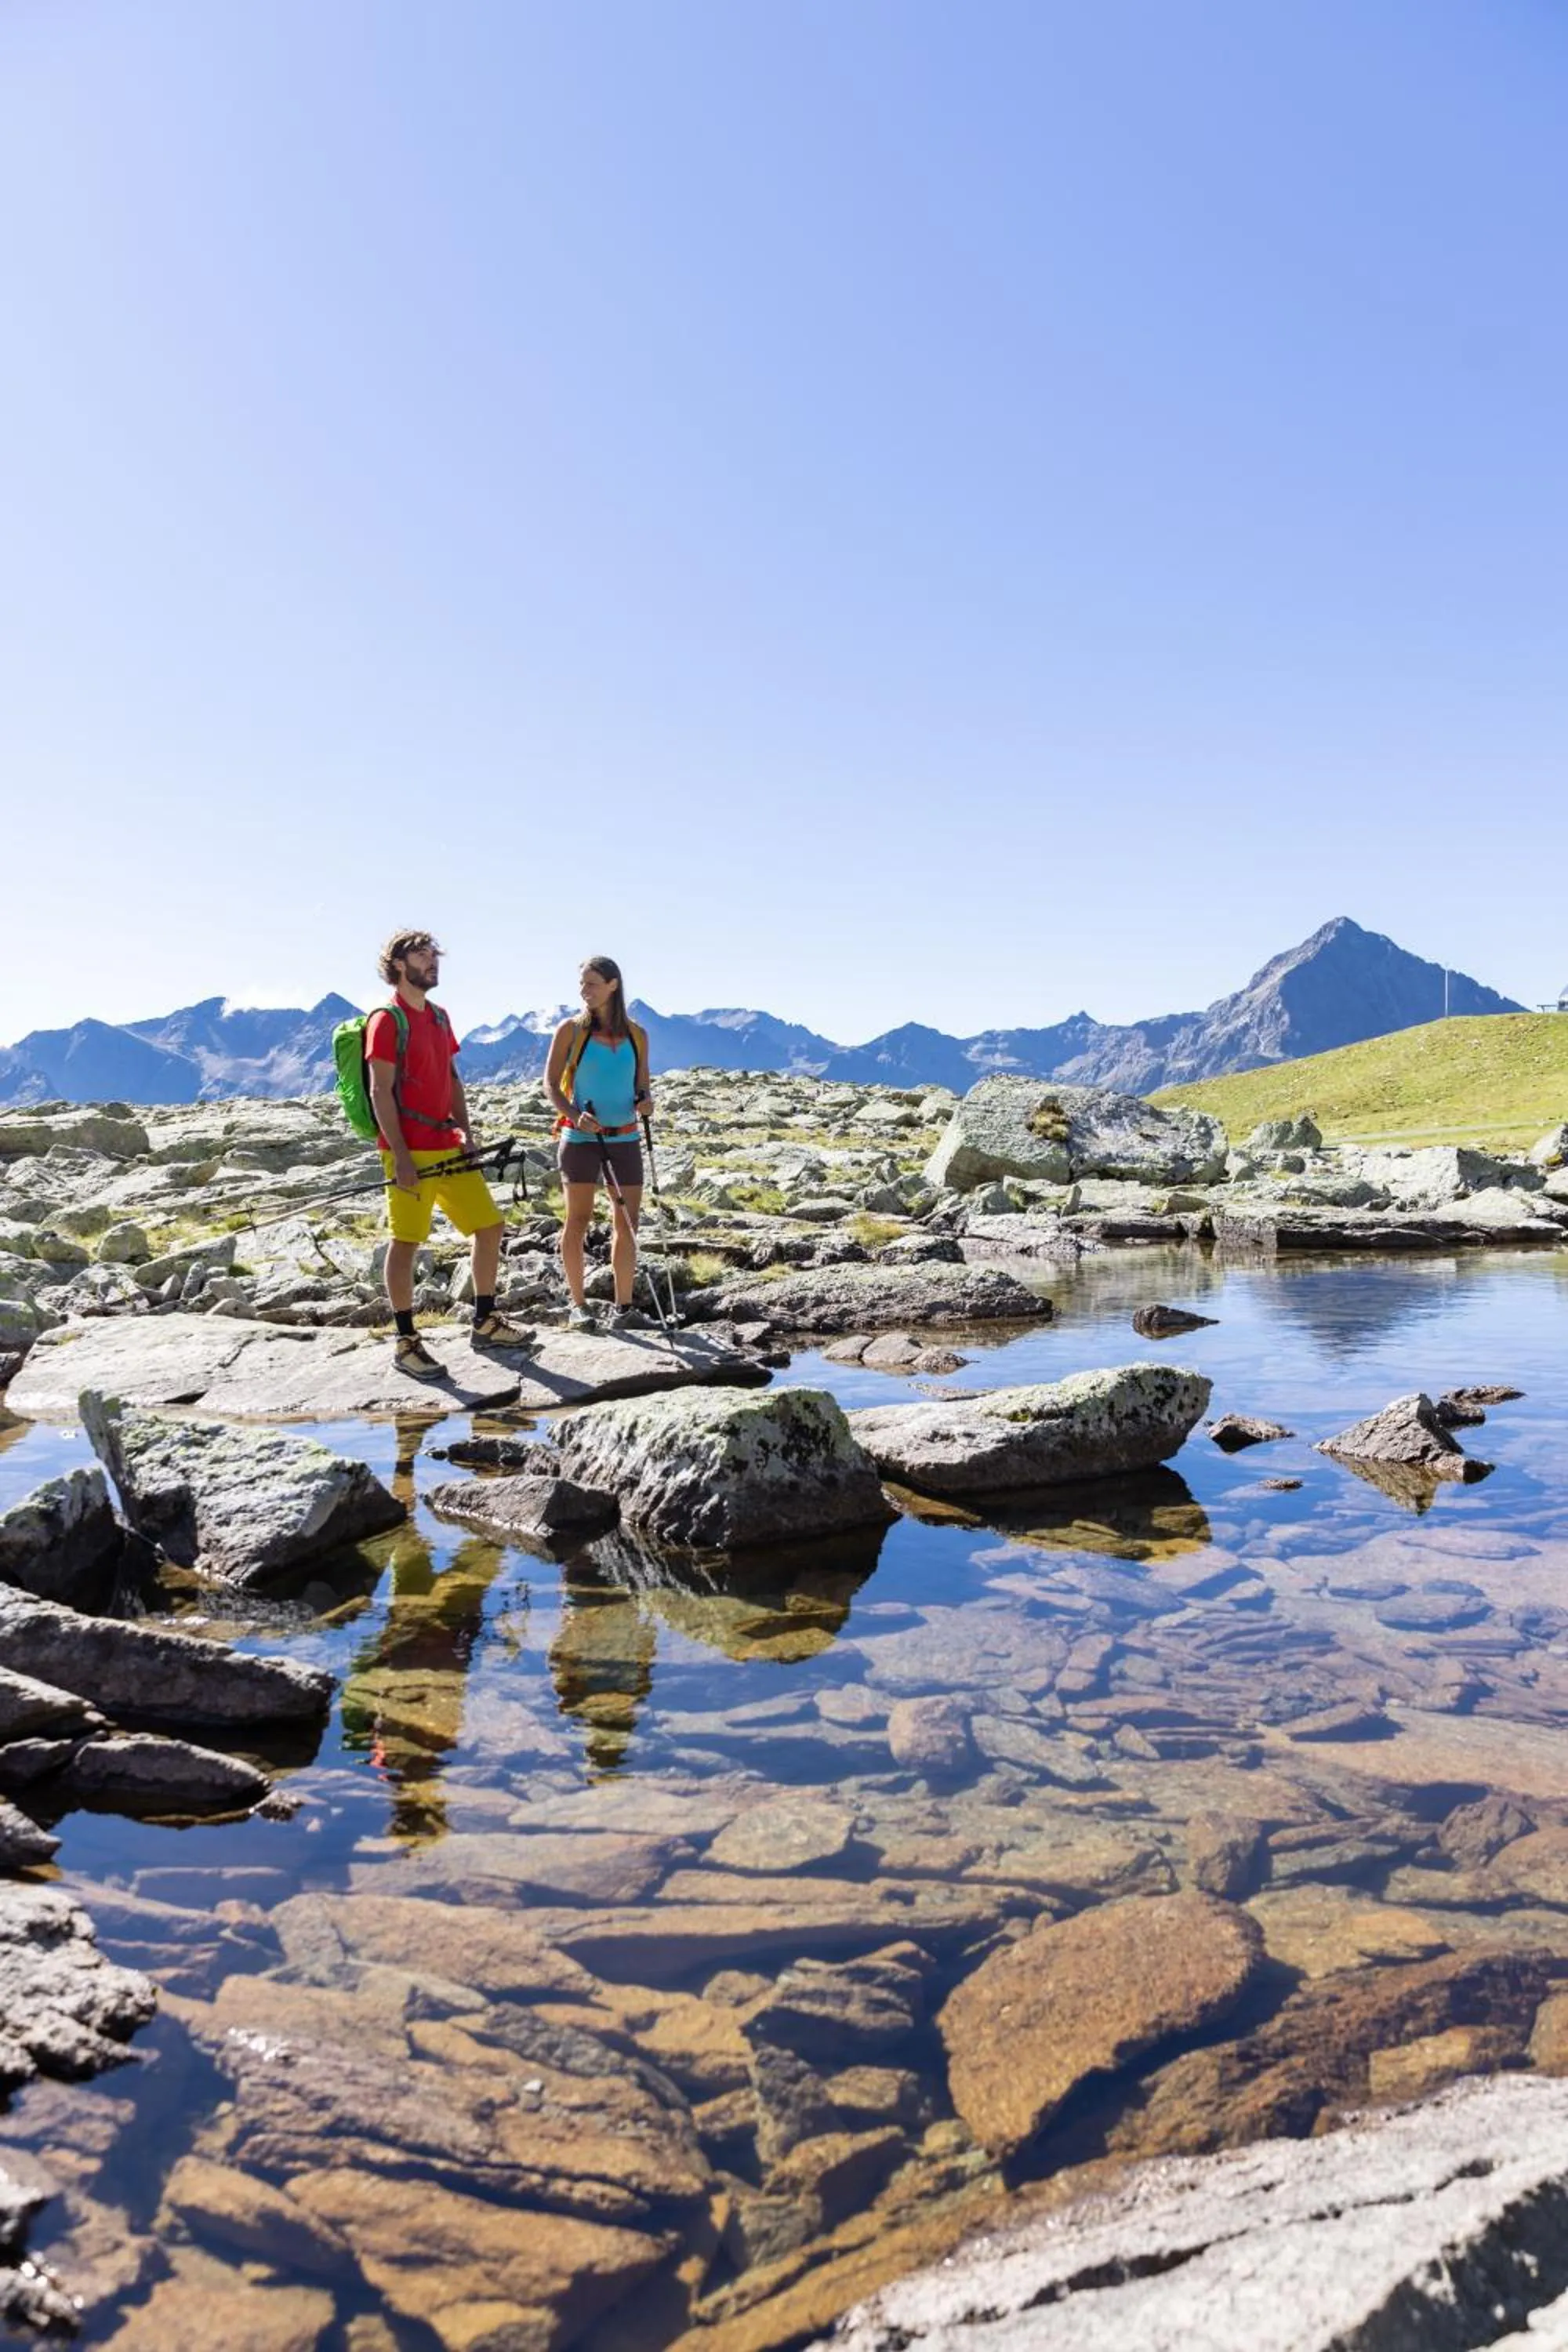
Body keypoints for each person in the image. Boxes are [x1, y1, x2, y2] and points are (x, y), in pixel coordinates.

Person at [366, 928, 532, 1376]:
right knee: (406, 1242)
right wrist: (399, 1155)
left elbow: (452, 1078)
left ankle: (484, 1321)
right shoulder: (386, 1020)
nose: (432, 963)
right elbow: (380, 1091)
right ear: (399, 965)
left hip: (448, 1146)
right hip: (410, 1151)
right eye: (422, 956)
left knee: (490, 1226)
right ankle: (405, 1342)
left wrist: (467, 1131)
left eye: (434, 955)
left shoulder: (439, 1017)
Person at [544, 956, 653, 1331]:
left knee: (628, 1221)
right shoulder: (571, 1031)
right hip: (580, 1140)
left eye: (591, 984)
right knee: (577, 1220)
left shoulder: (637, 1035)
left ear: (613, 986)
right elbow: (551, 1086)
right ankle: (579, 1305)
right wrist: (575, 1116)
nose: (583, 991)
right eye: (582, 984)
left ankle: (624, 1309)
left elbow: (642, 1083)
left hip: (625, 1138)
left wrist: (646, 1101)